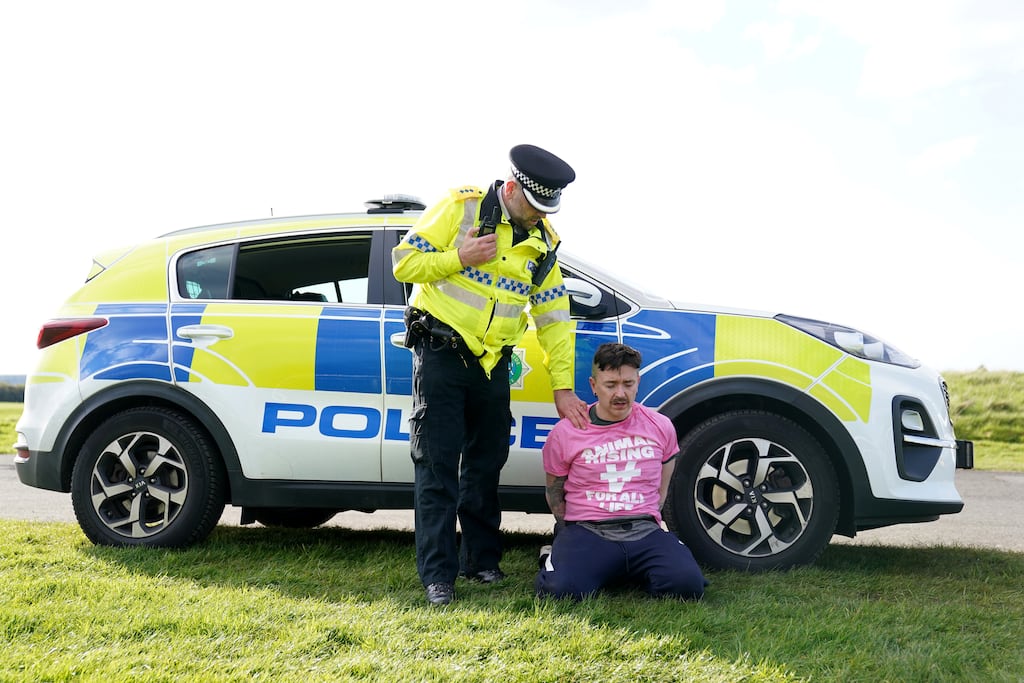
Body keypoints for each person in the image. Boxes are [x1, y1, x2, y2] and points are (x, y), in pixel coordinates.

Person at [392, 144, 589, 606]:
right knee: (437, 467)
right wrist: (459, 257)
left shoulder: (543, 240)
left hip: (493, 362)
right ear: (513, 189)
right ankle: (438, 577)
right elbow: (403, 261)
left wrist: (562, 385)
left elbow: (555, 318)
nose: (539, 218)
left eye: (547, 210)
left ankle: (481, 562)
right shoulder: (461, 205)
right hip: (441, 350)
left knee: (485, 464)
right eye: (534, 208)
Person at [535, 342, 707, 601]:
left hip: (644, 529)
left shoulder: (660, 426)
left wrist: (647, 514)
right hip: (589, 529)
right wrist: (568, 530)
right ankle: (557, 553)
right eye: (610, 385)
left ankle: (627, 565)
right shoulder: (566, 432)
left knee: (687, 586)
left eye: (628, 384)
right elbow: (554, 492)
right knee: (560, 591)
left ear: (638, 382)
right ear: (594, 386)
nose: (620, 394)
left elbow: (663, 483)